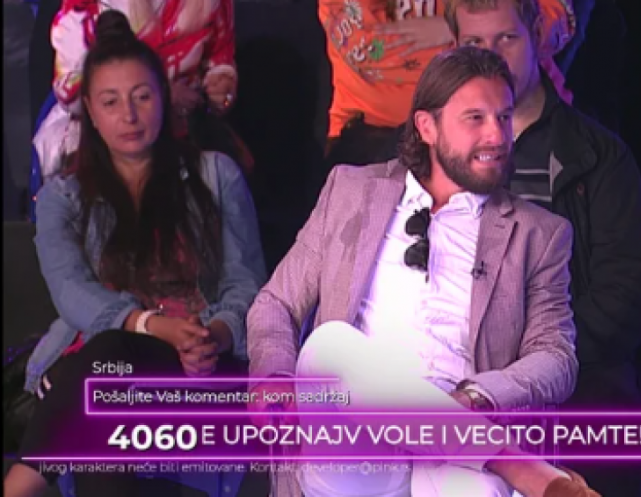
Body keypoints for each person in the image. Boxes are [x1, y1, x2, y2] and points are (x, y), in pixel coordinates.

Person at [247, 46, 598, 497]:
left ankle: (477, 449)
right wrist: (274, 379)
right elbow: (274, 303)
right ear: (427, 126)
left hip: (458, 439)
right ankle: (516, 465)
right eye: (475, 119)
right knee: (332, 345)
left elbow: (556, 357)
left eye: (504, 117)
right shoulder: (351, 191)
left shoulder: (539, 234)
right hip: (356, 443)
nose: (497, 135)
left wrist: (476, 396)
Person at [3, 10, 266, 497]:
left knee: (99, 380)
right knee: (106, 369)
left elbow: (246, 284)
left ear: (163, 97)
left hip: (200, 357)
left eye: (142, 96)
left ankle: (22, 483)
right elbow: (71, 292)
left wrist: (213, 336)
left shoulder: (216, 174)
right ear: (90, 111)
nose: (128, 115)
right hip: (106, 357)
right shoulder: (63, 196)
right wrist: (154, 326)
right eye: (111, 101)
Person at [446, 0, 641, 496]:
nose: (491, 57)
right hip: (457, 387)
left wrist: (532, 369)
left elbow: (627, 292)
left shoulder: (598, 156)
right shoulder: (430, 160)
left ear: (538, 37)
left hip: (574, 391)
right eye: (474, 43)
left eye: (507, 38)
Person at [317, 0, 575, 168]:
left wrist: (459, 30)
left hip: (519, 120)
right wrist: (468, 36)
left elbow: (558, 20)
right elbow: (365, 48)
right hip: (376, 133)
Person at [33, 0, 251, 183]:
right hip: (103, 133)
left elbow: (220, 57)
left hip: (189, 126)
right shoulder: (84, 7)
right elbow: (70, 91)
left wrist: (221, 84)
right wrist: (159, 94)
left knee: (225, 176)